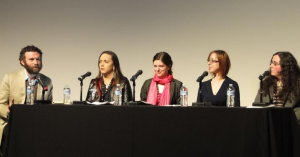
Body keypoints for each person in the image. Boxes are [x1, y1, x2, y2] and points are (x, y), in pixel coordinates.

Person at [0, 45, 53, 153]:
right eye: (31, 59)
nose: (36, 62)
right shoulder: (10, 78)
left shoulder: (47, 81)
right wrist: (9, 111)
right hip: (13, 124)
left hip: (37, 125)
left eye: (38, 59)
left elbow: (49, 106)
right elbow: (1, 103)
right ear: (22, 62)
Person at [254, 52, 300, 122]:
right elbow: (257, 105)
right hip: (270, 123)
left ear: (286, 66)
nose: (271, 66)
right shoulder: (266, 84)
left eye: (275, 64)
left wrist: (288, 117)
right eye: (271, 63)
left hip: (292, 124)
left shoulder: (297, 84)